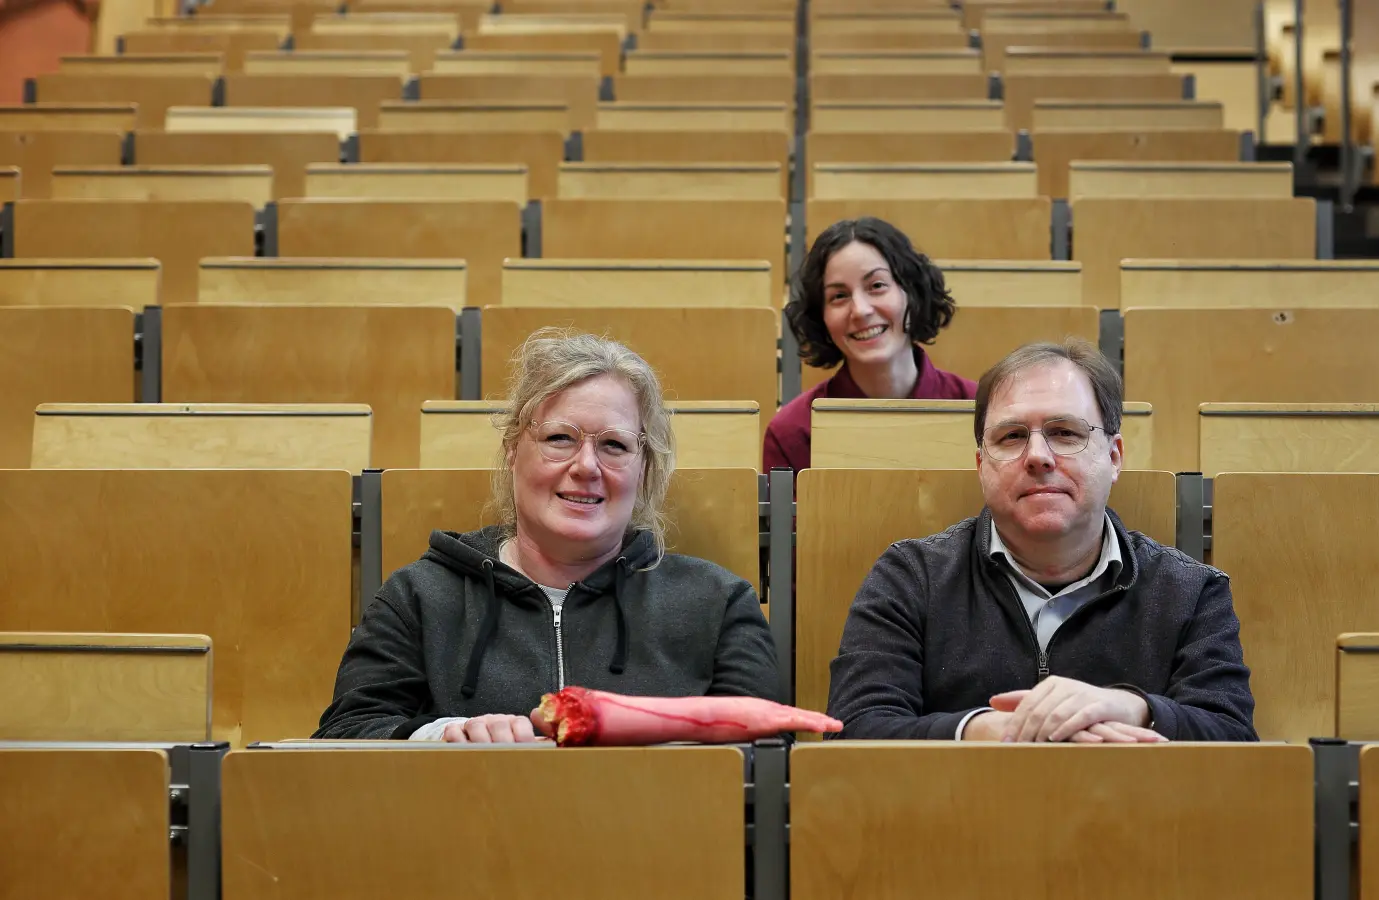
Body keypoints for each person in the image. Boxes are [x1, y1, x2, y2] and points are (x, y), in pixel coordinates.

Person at [315, 328, 781, 742]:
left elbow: (767, 752)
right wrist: (445, 736)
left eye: (614, 445)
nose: (585, 467)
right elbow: (344, 735)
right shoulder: (417, 596)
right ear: (514, 450)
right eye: (560, 438)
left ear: (644, 470)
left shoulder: (718, 604)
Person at [826, 339, 1256, 743]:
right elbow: (853, 730)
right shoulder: (910, 578)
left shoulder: (1192, 591)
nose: (1037, 456)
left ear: (1114, 456)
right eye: (1011, 436)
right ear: (981, 464)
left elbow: (1235, 740)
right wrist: (980, 730)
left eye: (1065, 433)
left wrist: (1134, 708)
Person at [764, 217, 977, 473]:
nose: (861, 310)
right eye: (839, 296)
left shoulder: (979, 411)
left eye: (876, 286)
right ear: (821, 317)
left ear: (912, 293)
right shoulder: (792, 432)